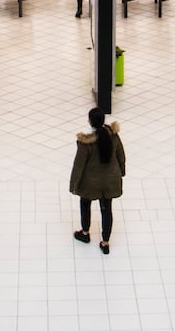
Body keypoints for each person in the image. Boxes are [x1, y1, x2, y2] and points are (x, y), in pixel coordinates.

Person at [70, 107, 125, 255]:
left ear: (90, 121)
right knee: (107, 210)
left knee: (85, 204)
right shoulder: (113, 136)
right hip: (110, 181)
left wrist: (74, 185)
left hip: (90, 183)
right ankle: (105, 242)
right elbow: (121, 155)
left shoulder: (85, 143)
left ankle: (85, 233)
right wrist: (122, 172)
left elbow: (78, 166)